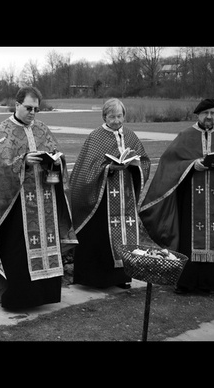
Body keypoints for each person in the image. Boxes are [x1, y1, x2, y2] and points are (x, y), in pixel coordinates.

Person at [0, 86, 77, 310]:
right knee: (19, 251)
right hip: (17, 205)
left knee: (47, 245)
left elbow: (57, 158)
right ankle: (19, 299)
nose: (33, 113)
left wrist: (55, 162)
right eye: (28, 108)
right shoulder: (2, 131)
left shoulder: (42, 129)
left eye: (36, 109)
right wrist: (22, 162)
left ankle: (44, 296)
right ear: (16, 105)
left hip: (45, 199)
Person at [139, 98, 214, 294]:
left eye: (213, 113)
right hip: (190, 201)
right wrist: (192, 165)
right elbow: (170, 163)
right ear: (198, 115)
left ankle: (209, 283)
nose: (209, 117)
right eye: (205, 113)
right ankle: (185, 282)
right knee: (187, 240)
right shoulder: (185, 136)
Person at [69, 98, 151, 289]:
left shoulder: (130, 136)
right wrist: (108, 169)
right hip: (102, 199)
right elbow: (85, 170)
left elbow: (145, 161)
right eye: (112, 116)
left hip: (126, 197)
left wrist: (135, 165)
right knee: (101, 238)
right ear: (104, 116)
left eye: (119, 116)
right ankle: (98, 279)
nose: (116, 120)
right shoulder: (96, 137)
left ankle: (122, 276)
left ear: (124, 116)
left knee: (126, 234)